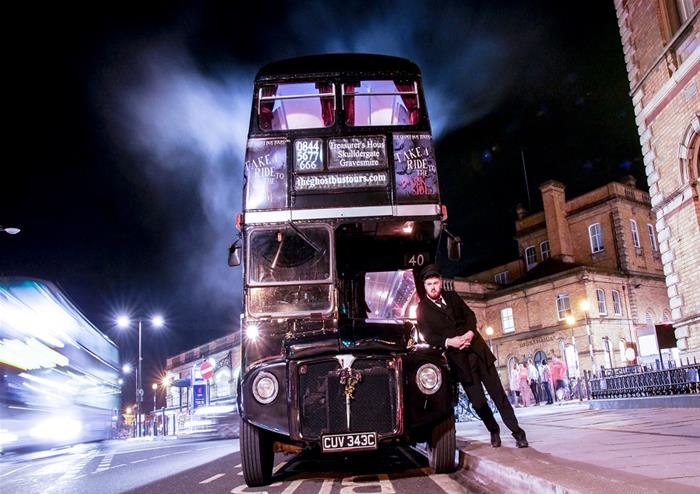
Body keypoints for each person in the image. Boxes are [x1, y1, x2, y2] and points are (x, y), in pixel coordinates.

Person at [416, 264, 528, 448]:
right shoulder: (422, 309)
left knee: (498, 396)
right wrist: (450, 342)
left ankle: (518, 433)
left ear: (441, 282)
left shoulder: (452, 297)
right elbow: (429, 336)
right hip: (460, 362)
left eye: (436, 283)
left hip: (478, 352)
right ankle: (493, 430)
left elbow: (470, 316)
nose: (433, 287)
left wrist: (469, 333)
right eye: (429, 284)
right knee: (478, 403)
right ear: (425, 286)